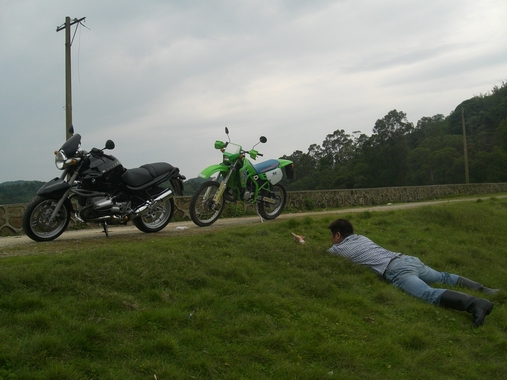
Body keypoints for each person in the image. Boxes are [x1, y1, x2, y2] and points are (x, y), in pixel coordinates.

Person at [293, 218, 499, 327]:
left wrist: (301, 242)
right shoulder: (361, 237)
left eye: (330, 236)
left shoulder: (337, 249)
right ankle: (486, 290)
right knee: (443, 277)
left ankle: (476, 304)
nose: (330, 240)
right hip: (408, 260)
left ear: (338, 235)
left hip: (395, 270)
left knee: (427, 294)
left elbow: (319, 256)